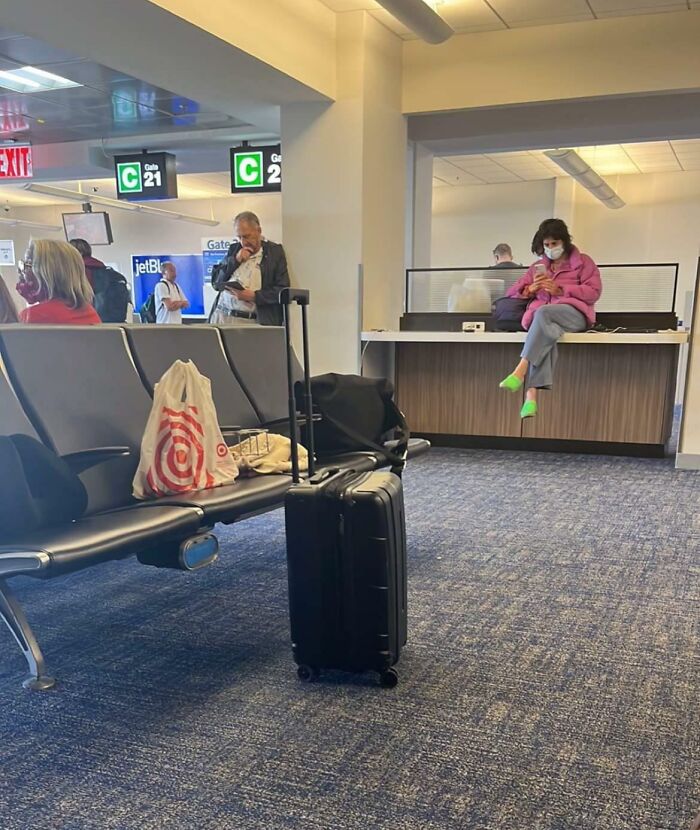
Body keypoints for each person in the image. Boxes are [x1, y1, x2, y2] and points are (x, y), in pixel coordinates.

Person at [498, 218, 602, 418]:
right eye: (547, 244)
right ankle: (531, 398)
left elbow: (594, 292)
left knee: (543, 314)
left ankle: (520, 370)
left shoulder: (583, 263)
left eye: (555, 243)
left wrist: (561, 290)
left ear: (564, 241)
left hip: (574, 314)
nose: (551, 248)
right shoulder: (538, 266)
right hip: (544, 318)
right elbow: (511, 293)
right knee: (547, 332)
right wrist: (530, 289)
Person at [211, 211, 290, 326]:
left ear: (259, 231)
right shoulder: (234, 249)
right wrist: (235, 260)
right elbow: (216, 282)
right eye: (239, 237)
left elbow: (283, 290)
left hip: (252, 321)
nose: (243, 242)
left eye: (247, 236)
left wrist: (255, 296)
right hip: (222, 317)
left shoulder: (274, 253)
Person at [17, 239, 101, 325]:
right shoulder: (89, 311)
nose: (21, 272)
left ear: (46, 273)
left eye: (27, 265)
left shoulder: (31, 316)